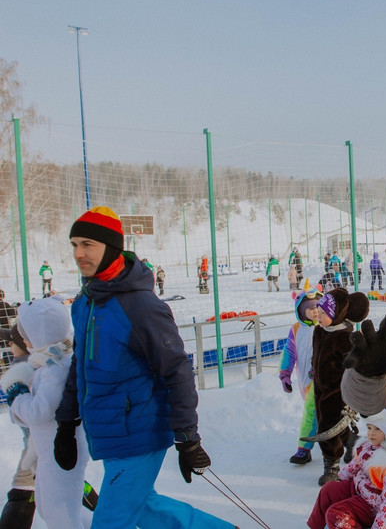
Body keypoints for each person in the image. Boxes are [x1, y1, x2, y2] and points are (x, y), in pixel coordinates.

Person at [54, 206, 235, 529]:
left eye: (87, 245)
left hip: (139, 432)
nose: (78, 253)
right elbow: (79, 367)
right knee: (143, 507)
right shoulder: (85, 303)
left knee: (111, 521)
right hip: (110, 433)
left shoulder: (141, 307)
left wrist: (187, 437)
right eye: (75, 244)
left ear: (110, 248)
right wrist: (66, 423)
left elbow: (177, 370)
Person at [1, 297, 91, 528]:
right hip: (50, 449)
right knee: (46, 505)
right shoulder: (51, 362)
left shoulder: (55, 367)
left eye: (25, 333)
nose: (22, 339)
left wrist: (17, 394)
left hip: (60, 450)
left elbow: (39, 411)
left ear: (37, 334)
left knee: (60, 513)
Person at [307, 402, 386, 529]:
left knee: (337, 515)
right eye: (369, 428)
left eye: (378, 429)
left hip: (375, 503)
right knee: (328, 490)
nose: (371, 433)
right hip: (361, 488)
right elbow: (353, 466)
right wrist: (340, 482)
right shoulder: (370, 445)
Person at [312, 288, 369, 486]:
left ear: (336, 316)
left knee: (326, 426)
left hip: (339, 391)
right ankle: (350, 440)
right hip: (320, 385)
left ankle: (332, 464)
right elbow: (316, 354)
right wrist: (314, 368)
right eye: (318, 312)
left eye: (324, 313)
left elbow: (355, 367)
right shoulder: (319, 331)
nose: (318, 316)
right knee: (326, 419)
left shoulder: (345, 338)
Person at [279, 280, 323, 465]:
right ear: (300, 309)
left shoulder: (324, 327)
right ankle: (347, 440)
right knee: (319, 414)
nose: (314, 311)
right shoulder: (296, 330)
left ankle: (303, 449)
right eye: (310, 308)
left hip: (322, 379)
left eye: (317, 307)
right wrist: (285, 374)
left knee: (311, 413)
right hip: (304, 381)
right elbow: (289, 352)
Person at [0, 324, 36, 528]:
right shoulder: (31, 365)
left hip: (37, 446)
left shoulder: (26, 370)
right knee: (68, 485)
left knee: (21, 493)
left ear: (27, 344)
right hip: (37, 444)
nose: (9, 344)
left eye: (12, 341)